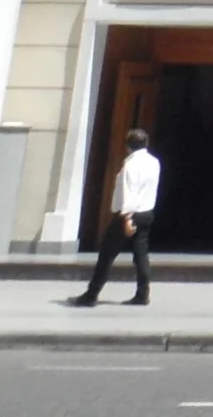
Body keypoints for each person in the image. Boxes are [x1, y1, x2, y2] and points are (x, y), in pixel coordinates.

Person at [72, 127, 159, 307]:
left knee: (106, 255)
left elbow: (129, 193)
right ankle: (143, 293)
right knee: (141, 255)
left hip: (128, 215)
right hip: (146, 213)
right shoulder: (154, 162)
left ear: (128, 146)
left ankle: (92, 293)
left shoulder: (131, 166)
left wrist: (127, 219)